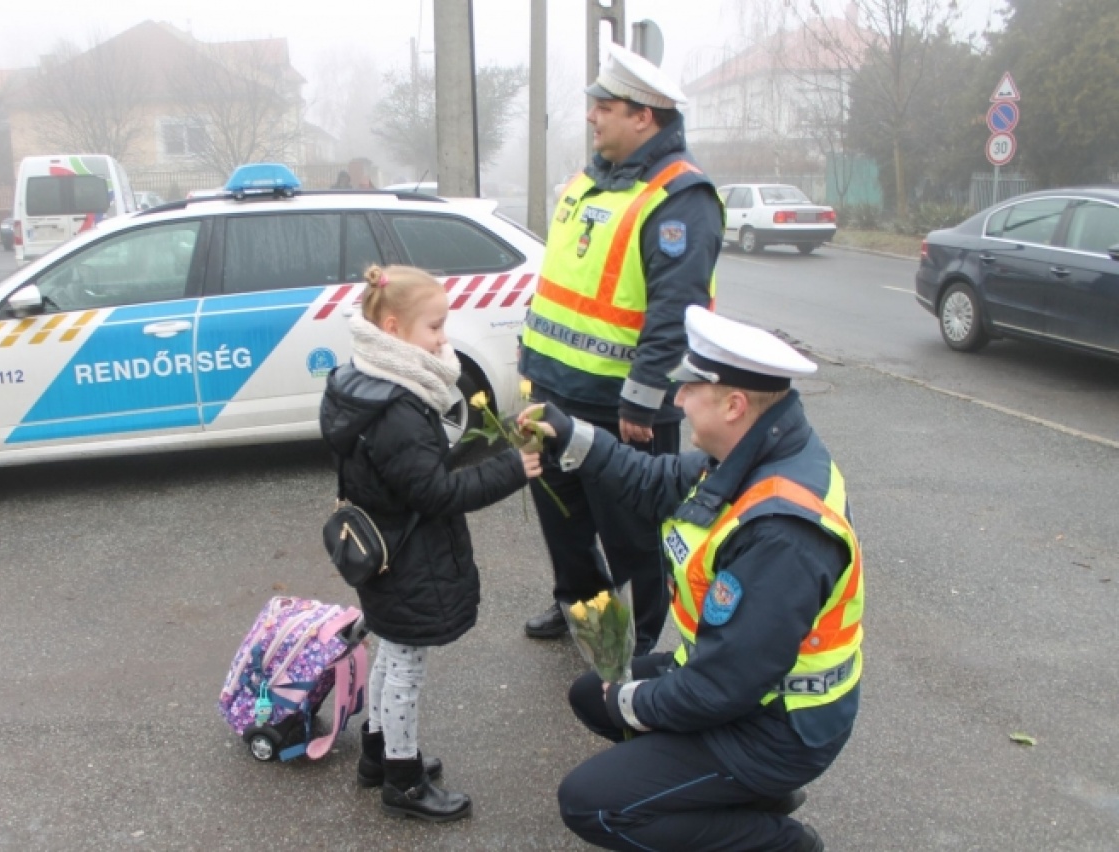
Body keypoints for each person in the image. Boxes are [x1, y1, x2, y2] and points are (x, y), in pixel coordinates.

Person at [519, 307, 863, 852]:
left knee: (590, 803)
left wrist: (633, 701)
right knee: (593, 692)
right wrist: (569, 434)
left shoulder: (781, 533)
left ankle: (777, 840)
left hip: (779, 726)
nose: (676, 399)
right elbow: (653, 481)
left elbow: (720, 688)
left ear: (734, 405)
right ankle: (738, 799)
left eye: (689, 388)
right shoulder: (755, 452)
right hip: (747, 693)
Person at [519, 43, 724, 655]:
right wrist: (531, 374)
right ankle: (586, 613)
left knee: (634, 536)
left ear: (645, 117)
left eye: (605, 106)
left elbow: (675, 313)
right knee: (564, 523)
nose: (592, 117)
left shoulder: (681, 197)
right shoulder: (589, 180)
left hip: (622, 410)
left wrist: (642, 404)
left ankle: (638, 643)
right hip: (555, 391)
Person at [319, 264, 540, 823]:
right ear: (392, 327)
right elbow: (436, 492)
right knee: (405, 666)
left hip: (385, 548)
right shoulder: (398, 408)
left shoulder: (362, 378)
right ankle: (403, 780)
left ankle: (376, 755)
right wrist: (513, 468)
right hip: (407, 555)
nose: (445, 340)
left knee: (392, 652)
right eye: (436, 329)